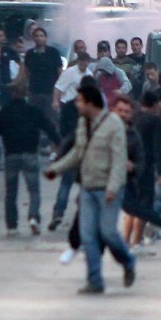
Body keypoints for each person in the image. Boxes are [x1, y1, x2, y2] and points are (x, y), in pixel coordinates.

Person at [45, 85, 136, 294]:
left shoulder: (113, 124)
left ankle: (128, 262)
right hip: (87, 188)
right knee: (87, 236)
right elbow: (78, 152)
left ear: (90, 103)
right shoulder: (82, 123)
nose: (76, 104)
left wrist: (113, 188)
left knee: (109, 233)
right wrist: (56, 169)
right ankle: (95, 280)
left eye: (79, 101)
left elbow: (119, 159)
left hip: (108, 189)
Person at [0, 84, 60, 235]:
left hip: (11, 154)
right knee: (34, 190)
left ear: (12, 94)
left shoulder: (5, 111)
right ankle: (33, 217)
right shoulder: (33, 111)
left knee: (11, 192)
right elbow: (49, 128)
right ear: (26, 94)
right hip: (30, 153)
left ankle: (12, 226)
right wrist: (59, 143)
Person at [114, 96, 161, 252]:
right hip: (145, 168)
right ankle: (136, 242)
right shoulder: (154, 121)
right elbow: (158, 148)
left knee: (130, 206)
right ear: (154, 105)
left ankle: (126, 240)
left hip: (127, 169)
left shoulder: (131, 119)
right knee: (143, 206)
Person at [23, 27, 62, 145]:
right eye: (37, 36)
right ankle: (33, 144)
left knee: (51, 119)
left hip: (50, 91)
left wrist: (59, 91)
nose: (39, 38)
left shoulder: (53, 52)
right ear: (33, 38)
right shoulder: (29, 54)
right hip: (34, 91)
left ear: (45, 38)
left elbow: (59, 71)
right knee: (33, 119)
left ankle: (53, 146)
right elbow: (26, 72)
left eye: (41, 35)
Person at [53, 52, 93, 138]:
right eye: (82, 61)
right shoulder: (70, 72)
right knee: (67, 131)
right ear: (79, 61)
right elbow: (59, 87)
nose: (84, 63)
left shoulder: (89, 74)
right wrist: (55, 101)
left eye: (86, 61)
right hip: (67, 104)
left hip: (81, 106)